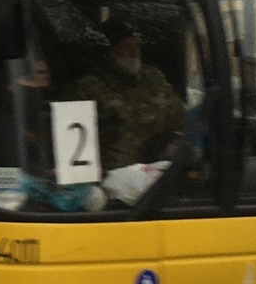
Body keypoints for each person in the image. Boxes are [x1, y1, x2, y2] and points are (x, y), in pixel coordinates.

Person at [70, 17, 186, 173]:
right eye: (125, 46)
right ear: (109, 51)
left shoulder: (154, 78)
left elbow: (179, 119)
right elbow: (76, 148)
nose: (134, 53)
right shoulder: (87, 88)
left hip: (159, 176)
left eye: (137, 46)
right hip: (113, 178)